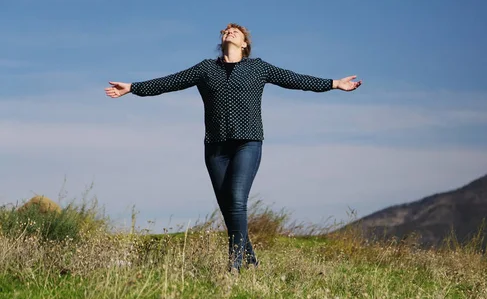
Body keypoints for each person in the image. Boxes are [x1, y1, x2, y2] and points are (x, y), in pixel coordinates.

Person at [104, 23, 362, 272]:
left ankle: (235, 265)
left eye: (235, 32)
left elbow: (295, 79)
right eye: (227, 31)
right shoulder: (206, 69)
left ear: (244, 43)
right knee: (229, 208)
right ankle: (250, 261)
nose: (229, 33)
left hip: (247, 142)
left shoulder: (258, 68)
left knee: (237, 200)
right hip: (215, 147)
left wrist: (334, 84)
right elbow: (171, 82)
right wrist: (133, 88)